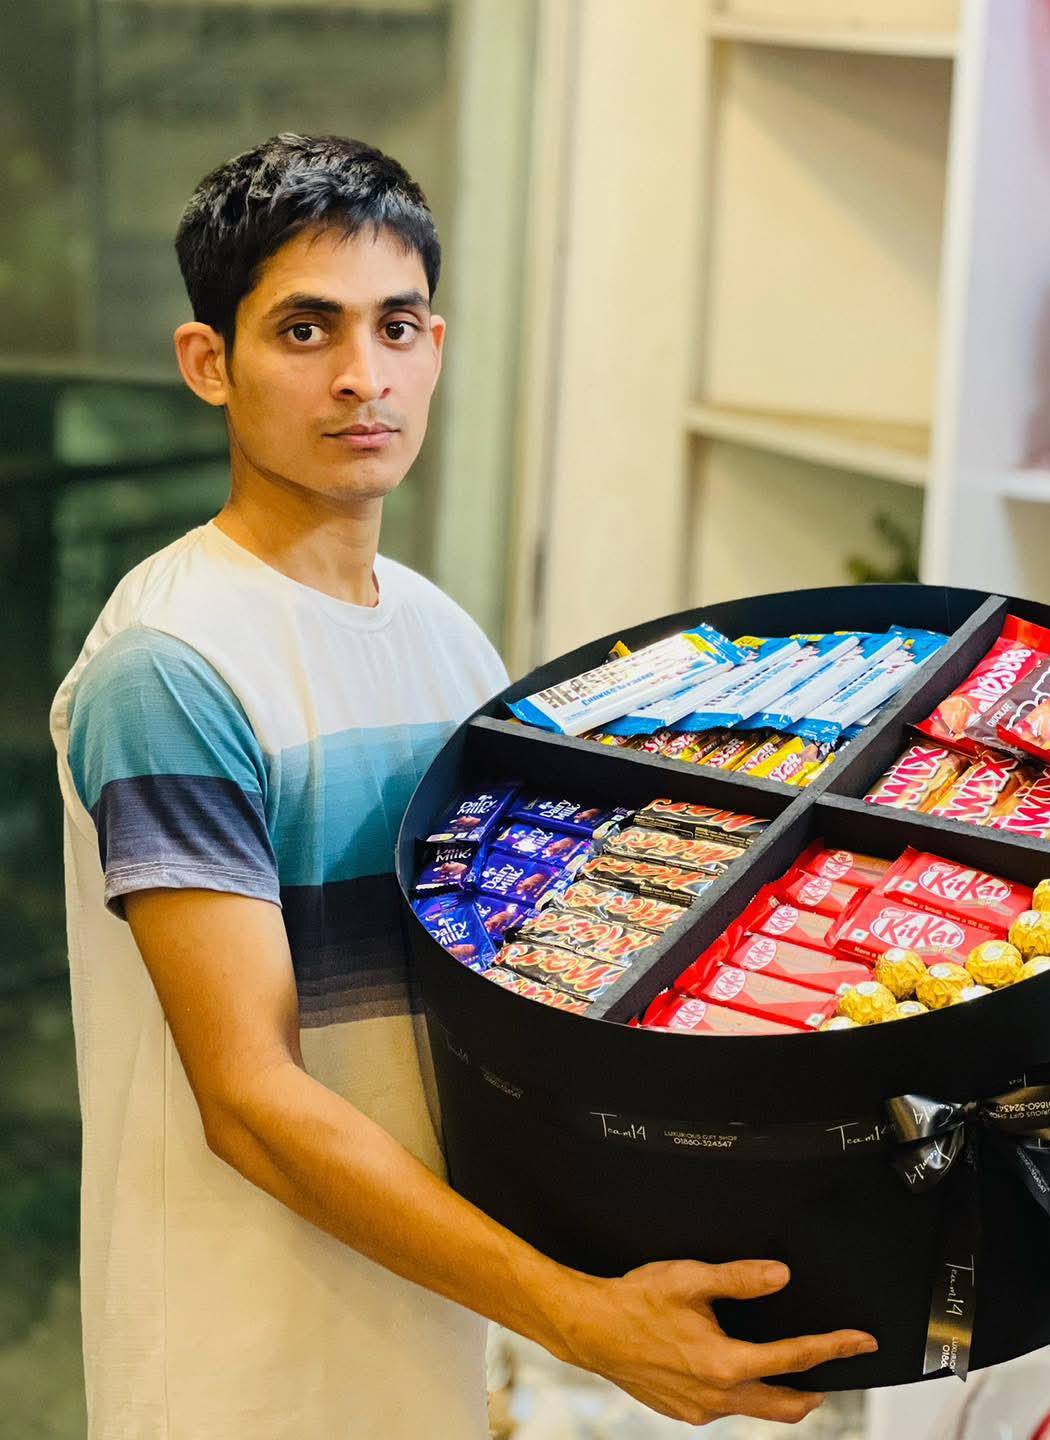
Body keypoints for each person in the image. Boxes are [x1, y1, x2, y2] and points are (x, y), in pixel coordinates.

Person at [49, 134, 877, 1439]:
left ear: (436, 347)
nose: (362, 376)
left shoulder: (446, 641)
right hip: (236, 1364)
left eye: (395, 327)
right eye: (306, 330)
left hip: (429, 1326)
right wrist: (578, 1318)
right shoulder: (171, 665)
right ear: (210, 363)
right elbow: (250, 1103)